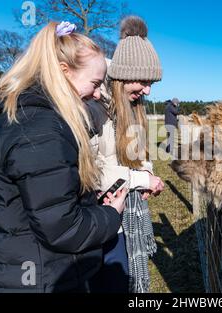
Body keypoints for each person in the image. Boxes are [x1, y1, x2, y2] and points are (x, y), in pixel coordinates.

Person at [0, 21, 128, 293]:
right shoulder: (42, 130)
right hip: (33, 278)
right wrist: (111, 214)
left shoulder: (24, 116)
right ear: (64, 72)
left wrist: (87, 202)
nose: (98, 94)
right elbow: (62, 227)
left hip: (15, 269)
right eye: (95, 83)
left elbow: (45, 200)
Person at [87, 16, 164, 293]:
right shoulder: (94, 104)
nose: (147, 90)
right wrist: (140, 179)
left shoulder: (132, 107)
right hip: (94, 218)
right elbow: (91, 169)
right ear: (123, 76)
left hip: (119, 221)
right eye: (143, 81)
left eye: (152, 83)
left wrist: (148, 172)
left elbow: (137, 151)